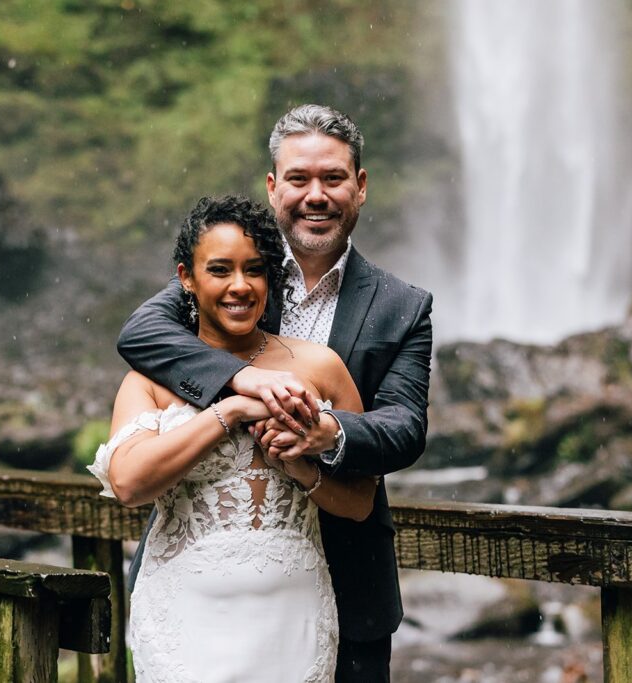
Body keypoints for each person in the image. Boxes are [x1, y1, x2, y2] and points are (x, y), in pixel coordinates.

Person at [117, 104, 433, 681]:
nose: (316, 195)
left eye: (333, 178)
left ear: (360, 187)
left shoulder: (402, 307)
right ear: (272, 187)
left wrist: (328, 435)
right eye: (299, 179)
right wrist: (241, 382)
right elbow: (140, 333)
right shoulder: (234, 274)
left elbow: (406, 427)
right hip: (200, 585)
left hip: (348, 578)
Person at [89, 195, 376, 681]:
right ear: (187, 278)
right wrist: (231, 409)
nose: (240, 286)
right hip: (185, 615)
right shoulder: (150, 379)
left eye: (255, 270)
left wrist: (303, 469)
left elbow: (361, 502)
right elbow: (129, 485)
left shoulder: (320, 367)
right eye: (220, 270)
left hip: (295, 617)